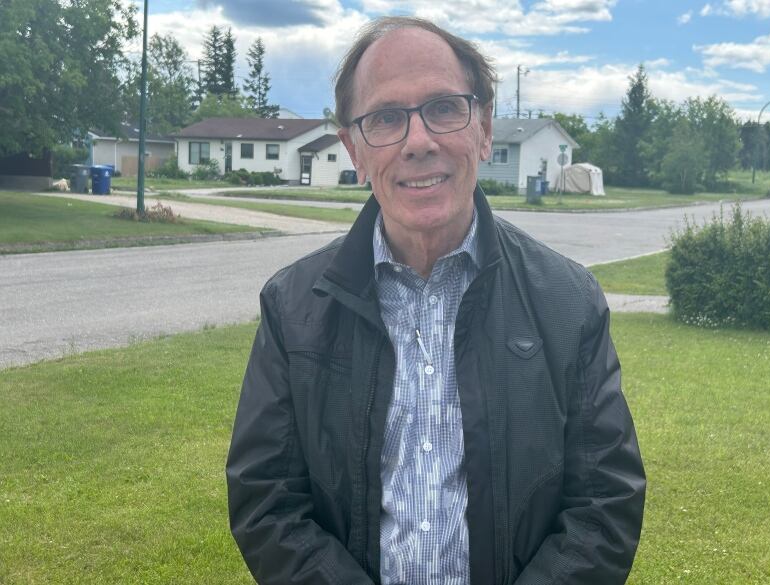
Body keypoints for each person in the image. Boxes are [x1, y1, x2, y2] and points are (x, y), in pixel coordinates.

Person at [226, 16, 645, 585]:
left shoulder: (569, 303)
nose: (418, 142)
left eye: (444, 108)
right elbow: (266, 499)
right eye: (386, 118)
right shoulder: (292, 306)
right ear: (353, 148)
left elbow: (604, 504)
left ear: (484, 128)